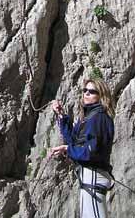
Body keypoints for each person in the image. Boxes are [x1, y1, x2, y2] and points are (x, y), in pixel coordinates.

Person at [49, 78, 115, 218]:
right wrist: (61, 115)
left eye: (92, 91)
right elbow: (74, 141)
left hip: (94, 175)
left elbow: (91, 152)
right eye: (85, 90)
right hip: (89, 176)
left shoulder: (99, 118)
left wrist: (68, 149)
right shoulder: (89, 117)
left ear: (101, 95)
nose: (86, 93)